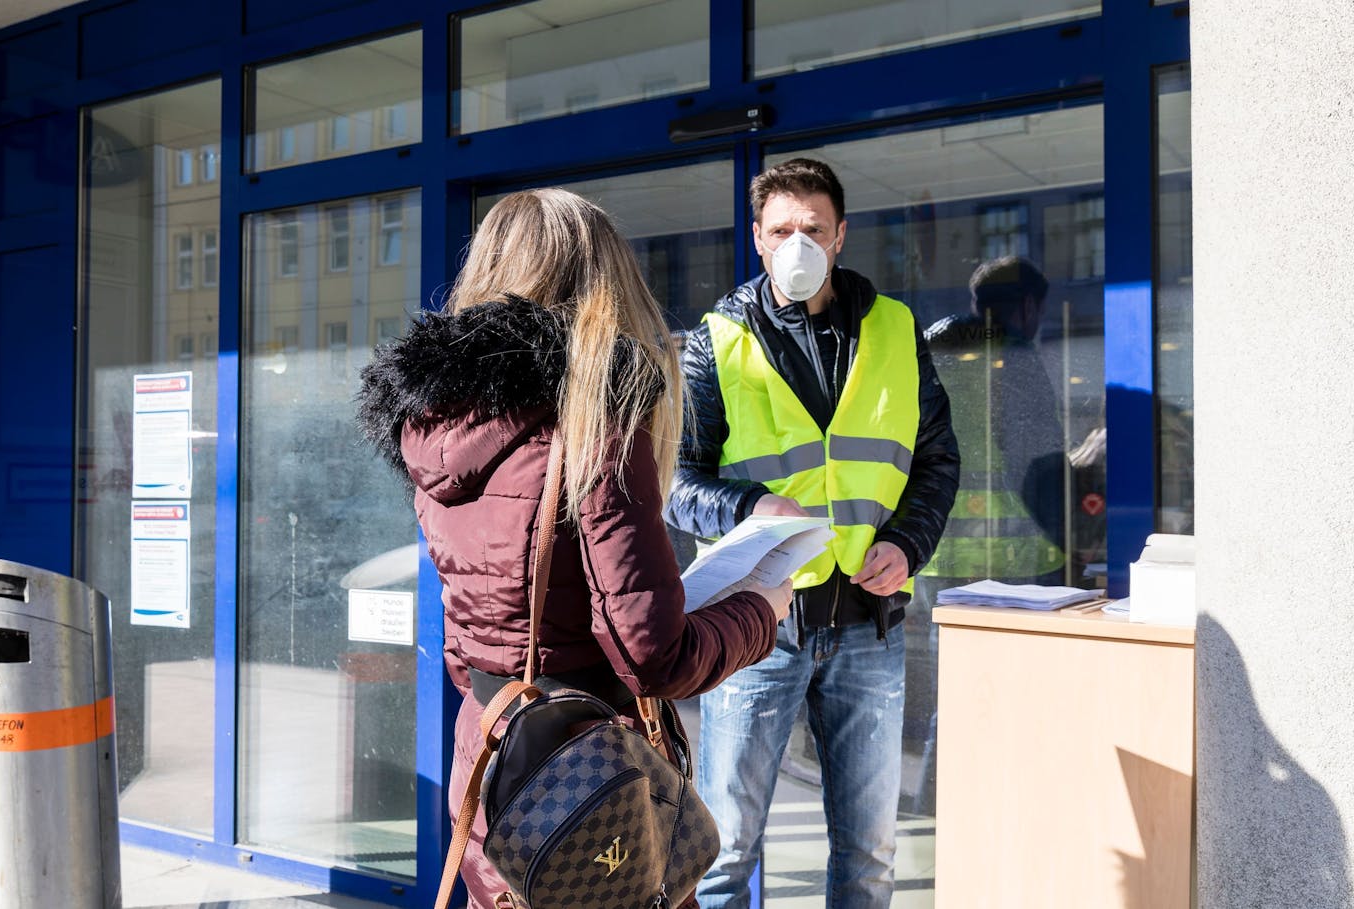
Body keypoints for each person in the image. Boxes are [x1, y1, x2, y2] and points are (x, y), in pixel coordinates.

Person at [355, 187, 794, 909]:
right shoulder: (593, 417)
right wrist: (760, 609)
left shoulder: (434, 422)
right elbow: (655, 654)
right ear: (605, 286)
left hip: (492, 758)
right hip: (588, 778)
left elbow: (477, 617)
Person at [664, 158, 959, 909]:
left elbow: (936, 462)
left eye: (814, 230)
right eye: (782, 230)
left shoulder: (895, 329)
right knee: (722, 853)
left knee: (868, 857)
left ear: (841, 235)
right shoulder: (716, 342)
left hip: (870, 623)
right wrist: (750, 508)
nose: (799, 243)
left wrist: (908, 544)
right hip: (754, 626)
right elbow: (676, 483)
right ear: (757, 240)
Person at [922, 256, 1067, 591]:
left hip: (935, 548)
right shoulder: (1018, 359)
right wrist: (1068, 535)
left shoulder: (930, 354)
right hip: (1009, 553)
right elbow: (1040, 460)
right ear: (1030, 305)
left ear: (977, 302)